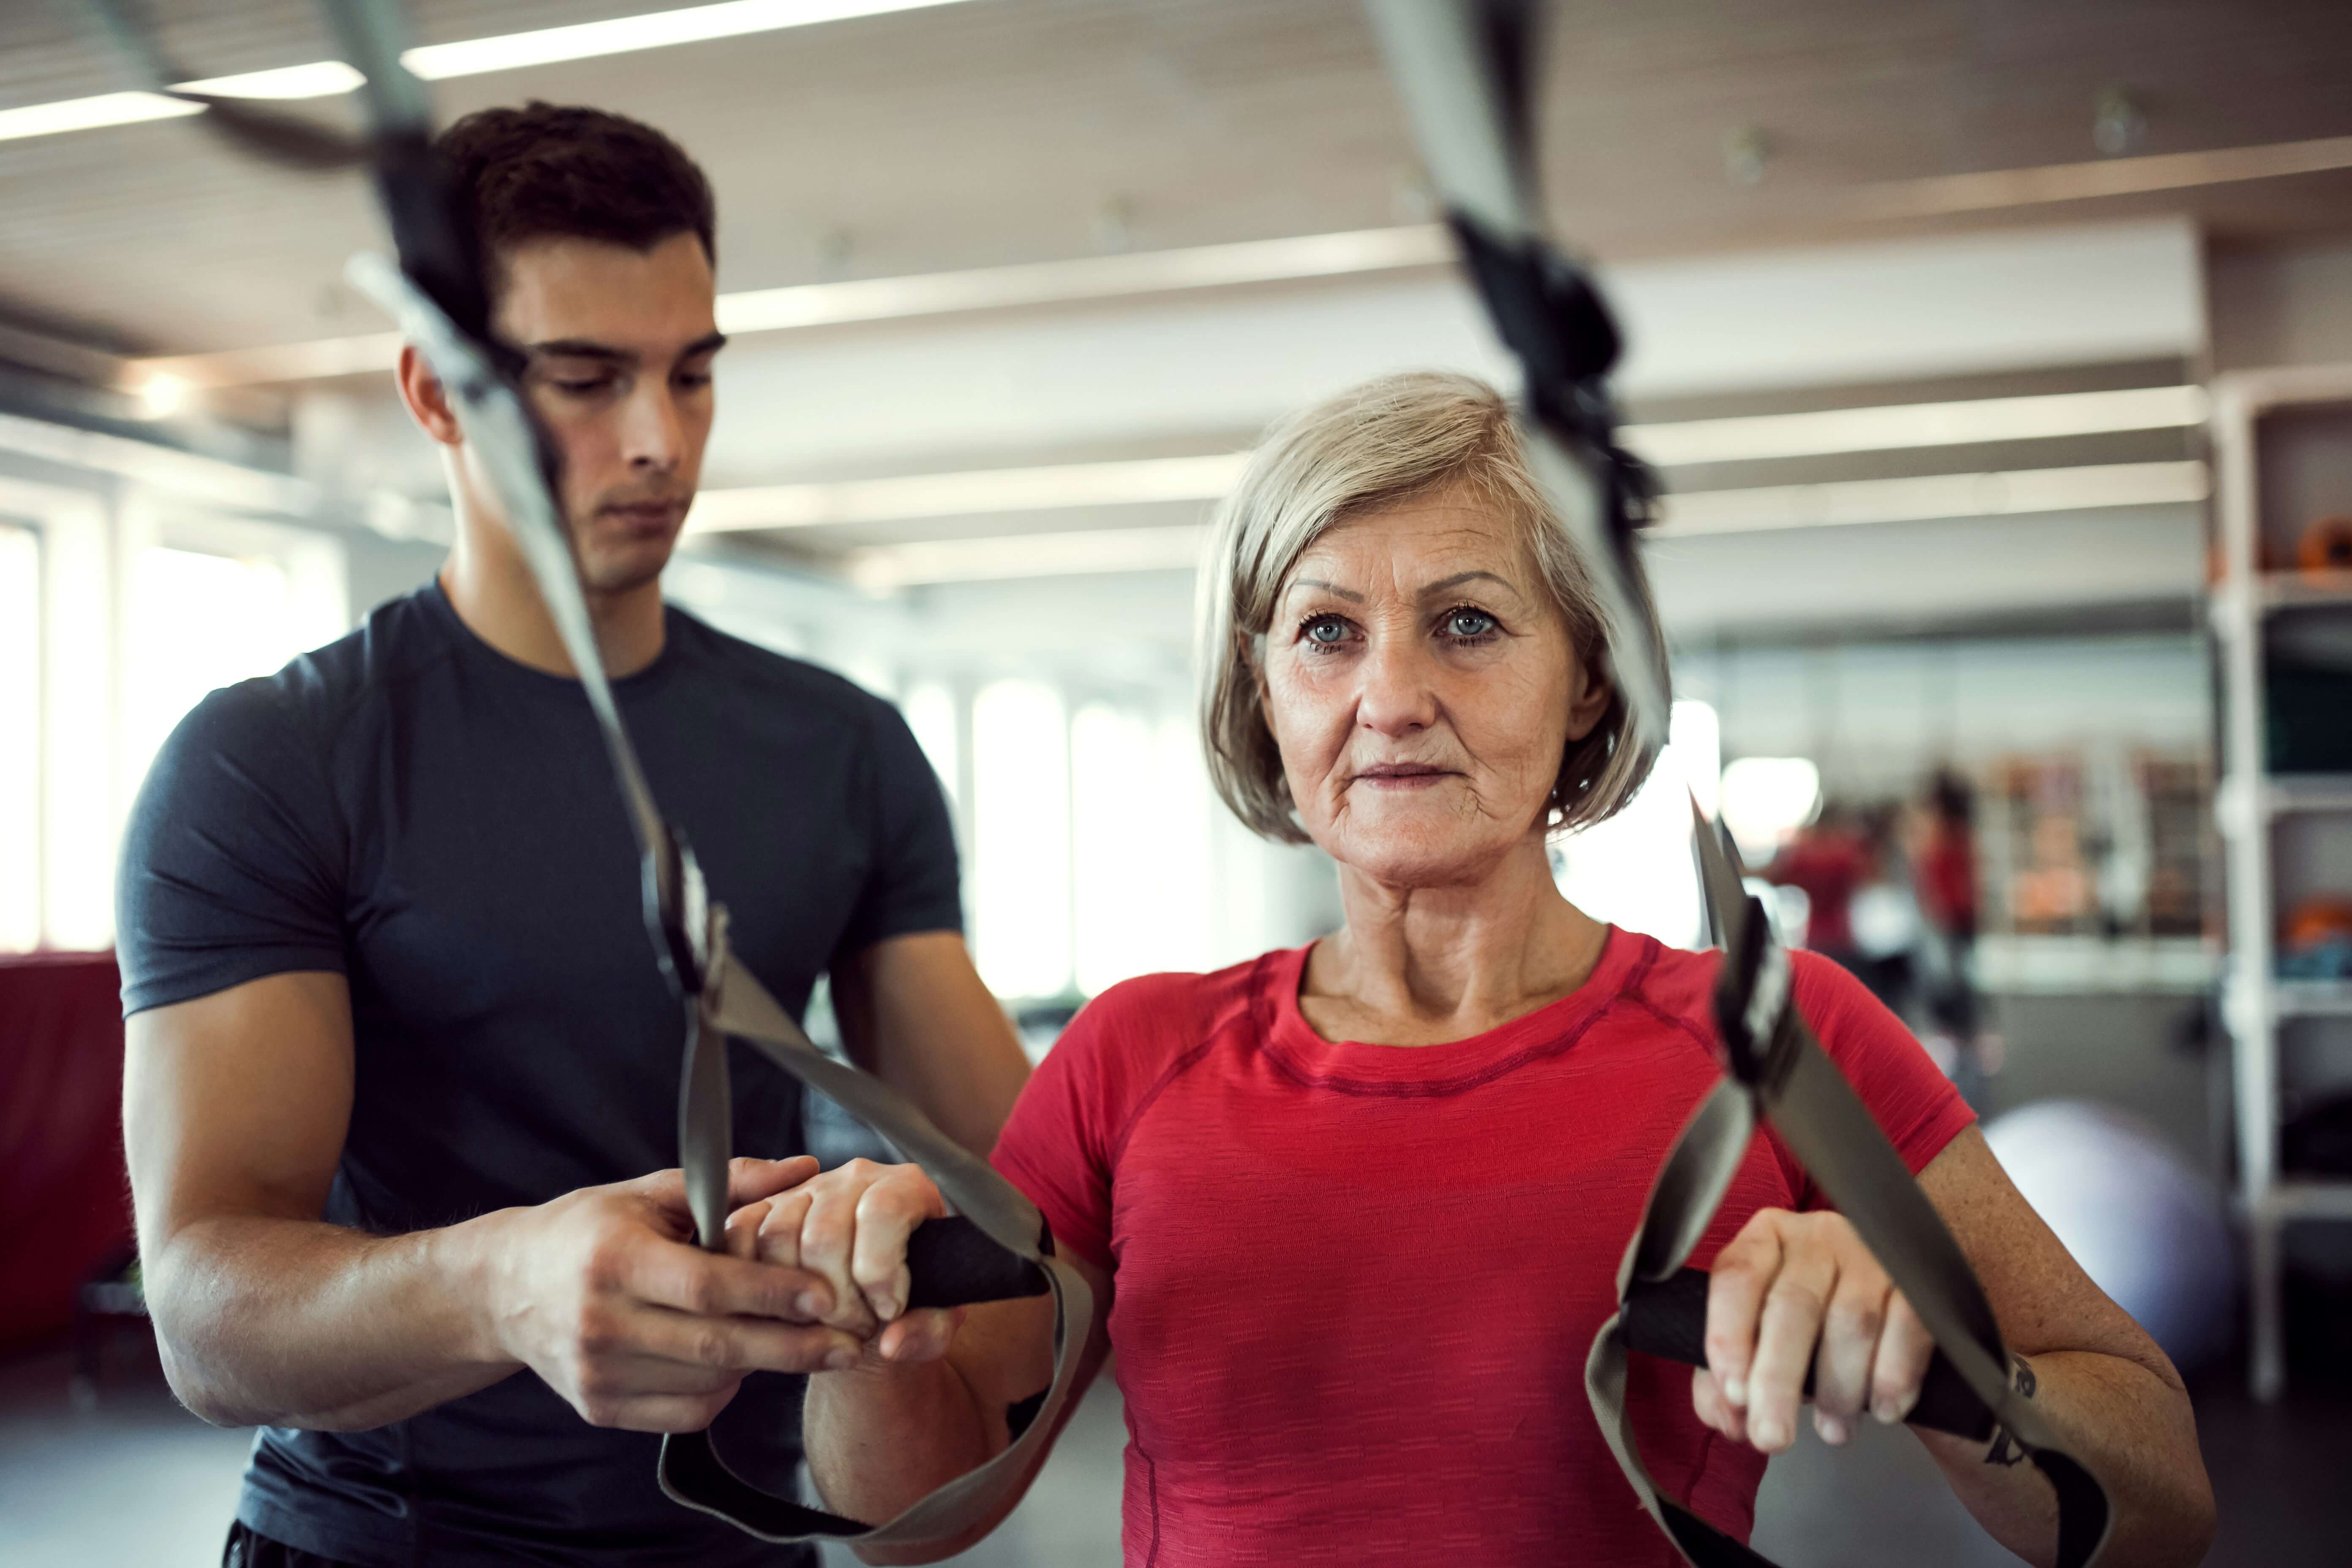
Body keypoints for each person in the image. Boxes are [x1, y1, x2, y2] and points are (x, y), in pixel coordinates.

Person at [727, 372, 2216, 1566]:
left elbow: (2159, 1504)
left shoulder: (1779, 1043)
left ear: (1584, 681)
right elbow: (912, 1516)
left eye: (1467, 624)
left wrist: (1940, 1359)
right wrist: (859, 1325)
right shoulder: (1133, 1057)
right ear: (1263, 690)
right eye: (1326, 631)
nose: (1391, 698)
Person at [116, 104, 1029, 1568]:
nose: (659, 441)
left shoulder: (841, 746)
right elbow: (208, 1323)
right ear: (434, 390)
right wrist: (504, 1289)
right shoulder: (272, 761)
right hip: (381, 1544)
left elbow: (1020, 1172)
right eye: (585, 379)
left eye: (692, 374)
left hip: (738, 1540)